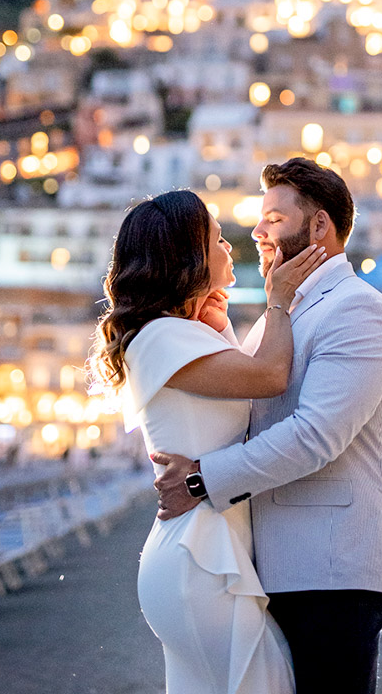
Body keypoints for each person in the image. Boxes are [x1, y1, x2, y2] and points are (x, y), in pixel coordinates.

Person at [153, 158, 382, 694]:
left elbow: (315, 438)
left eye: (273, 217)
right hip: (283, 571)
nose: (256, 231)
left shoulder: (358, 311)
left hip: (332, 571)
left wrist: (200, 480)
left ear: (319, 227)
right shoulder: (288, 313)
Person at [87, 189, 327, 694]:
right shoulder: (161, 335)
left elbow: (240, 403)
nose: (231, 247)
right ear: (189, 257)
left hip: (205, 551)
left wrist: (220, 329)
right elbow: (270, 377)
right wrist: (279, 299)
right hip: (198, 558)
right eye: (218, 239)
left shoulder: (175, 334)